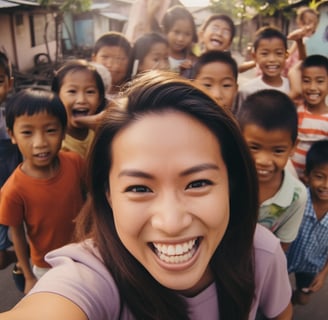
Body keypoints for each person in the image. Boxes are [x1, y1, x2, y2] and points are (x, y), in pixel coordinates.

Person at [0, 71, 292, 320]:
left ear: (231, 182)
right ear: (108, 195)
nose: (172, 222)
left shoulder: (261, 254)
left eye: (198, 183)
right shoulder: (92, 277)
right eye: (139, 188)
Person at [0, 89, 86, 294]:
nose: (40, 142)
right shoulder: (13, 189)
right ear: (12, 135)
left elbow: (91, 196)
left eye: (50, 130)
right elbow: (17, 234)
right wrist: (29, 276)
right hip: (47, 264)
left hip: (84, 252)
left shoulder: (75, 162)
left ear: (63, 130)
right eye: (27, 132)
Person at [237, 89, 307, 252]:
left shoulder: (296, 196)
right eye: (254, 147)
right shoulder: (227, 177)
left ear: (293, 147)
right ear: (239, 139)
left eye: (278, 150)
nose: (263, 161)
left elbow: (283, 244)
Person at [287, 140, 328, 306]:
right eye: (319, 176)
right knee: (272, 298)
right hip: (284, 260)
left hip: (310, 267)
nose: (325, 185)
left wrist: (323, 273)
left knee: (302, 300)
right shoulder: (297, 200)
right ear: (307, 175)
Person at [51, 59, 106, 158]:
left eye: (90, 92)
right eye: (72, 91)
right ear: (57, 97)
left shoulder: (99, 133)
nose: (81, 100)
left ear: (100, 100)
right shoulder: (55, 143)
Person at [236, 26, 290, 113]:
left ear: (286, 55)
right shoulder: (246, 91)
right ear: (254, 56)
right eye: (265, 54)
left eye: (279, 53)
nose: (272, 59)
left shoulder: (292, 88)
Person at [291, 55, 328, 180]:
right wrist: (299, 41)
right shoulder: (298, 109)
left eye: (320, 81)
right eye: (306, 81)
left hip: (317, 183)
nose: (312, 87)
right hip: (292, 177)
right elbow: (294, 71)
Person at [0, 51, 20, 270]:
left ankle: (24, 261)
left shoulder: (14, 114)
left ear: (9, 83)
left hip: (16, 190)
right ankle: (18, 258)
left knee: (24, 232)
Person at [91, 32, 132, 98]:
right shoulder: (85, 91)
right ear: (94, 59)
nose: (110, 64)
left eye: (119, 58)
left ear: (129, 61)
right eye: (105, 57)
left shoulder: (134, 94)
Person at [162, 5, 198, 78]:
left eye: (187, 34)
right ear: (166, 30)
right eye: (176, 32)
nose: (181, 39)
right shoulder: (159, 57)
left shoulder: (192, 60)